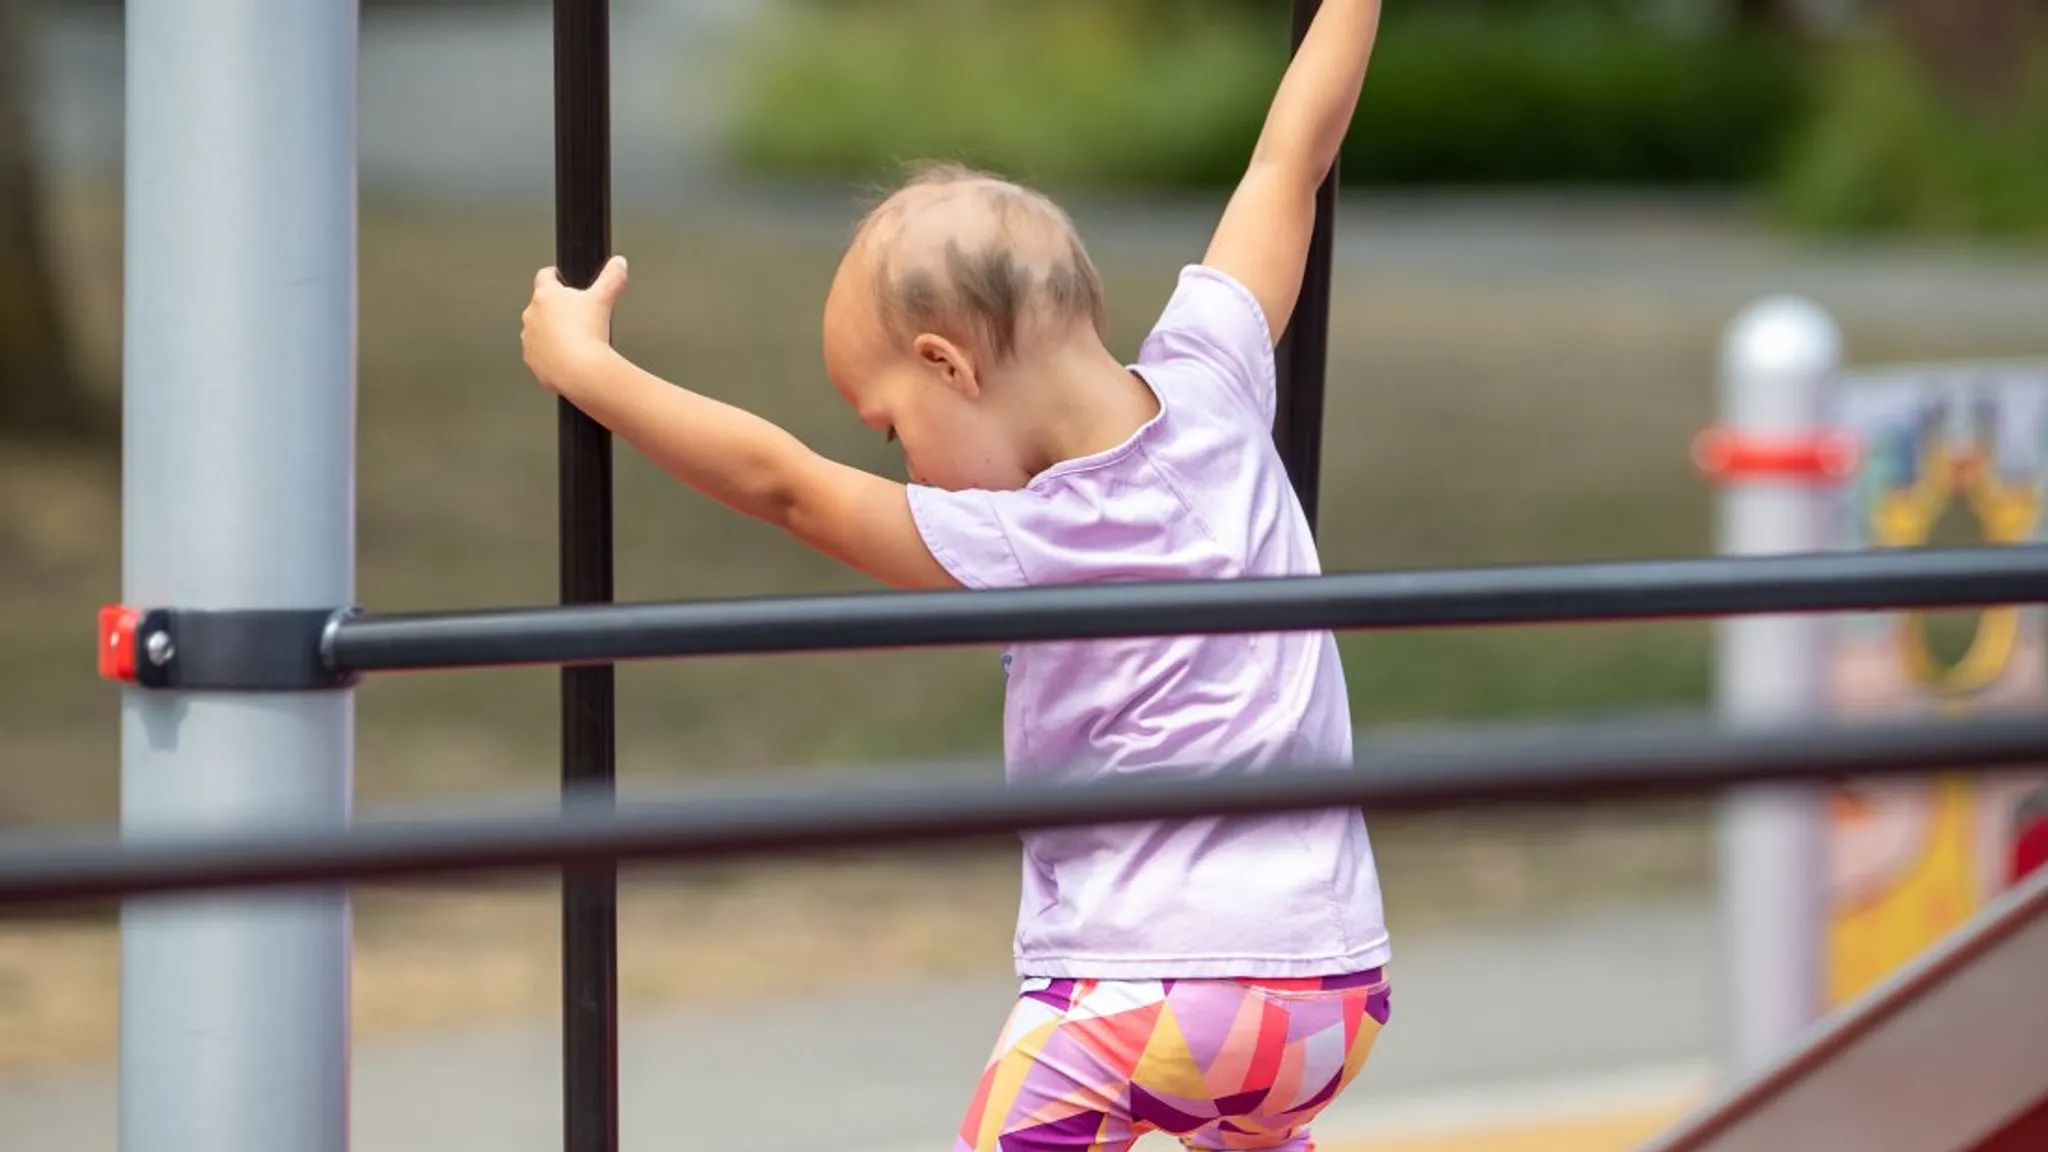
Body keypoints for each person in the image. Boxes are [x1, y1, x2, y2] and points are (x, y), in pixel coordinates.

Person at [519, 1, 1389, 1146]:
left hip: (1153, 988)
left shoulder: (1035, 536)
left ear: (948, 366)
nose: (905, 463)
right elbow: (1289, 160)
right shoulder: (1215, 379)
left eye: (890, 427)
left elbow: (784, 486)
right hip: (1332, 996)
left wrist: (588, 369)